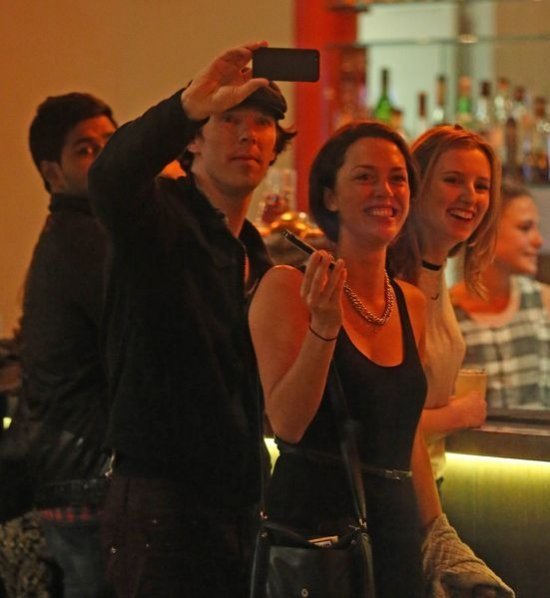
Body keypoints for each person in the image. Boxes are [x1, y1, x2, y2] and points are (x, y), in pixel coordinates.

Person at [88, 42, 295, 597]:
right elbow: (110, 177)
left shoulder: (258, 254)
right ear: (194, 141)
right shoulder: (159, 216)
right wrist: (187, 105)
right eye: (229, 120)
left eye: (262, 123)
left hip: (238, 498)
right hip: (160, 498)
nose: (248, 135)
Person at [249, 120, 442, 597]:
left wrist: (440, 535)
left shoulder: (412, 302)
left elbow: (407, 435)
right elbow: (287, 423)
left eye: (397, 178)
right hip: (317, 540)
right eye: (364, 177)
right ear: (330, 197)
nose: (385, 191)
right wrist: (323, 327)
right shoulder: (288, 287)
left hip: (395, 533)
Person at [21, 92, 117, 597]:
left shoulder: (76, 233)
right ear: (51, 173)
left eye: (110, 143)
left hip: (74, 475)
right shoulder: (84, 239)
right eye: (85, 149)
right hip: (90, 479)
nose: (103, 158)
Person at [388, 124, 501, 488]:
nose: (470, 197)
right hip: (392, 493)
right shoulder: (391, 283)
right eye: (453, 180)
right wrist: (459, 414)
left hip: (426, 485)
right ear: (415, 186)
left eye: (481, 186)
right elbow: (380, 425)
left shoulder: (435, 275)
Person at [452, 180, 550, 409]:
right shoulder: (448, 312)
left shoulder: (545, 302)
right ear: (487, 231)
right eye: (525, 228)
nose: (538, 241)